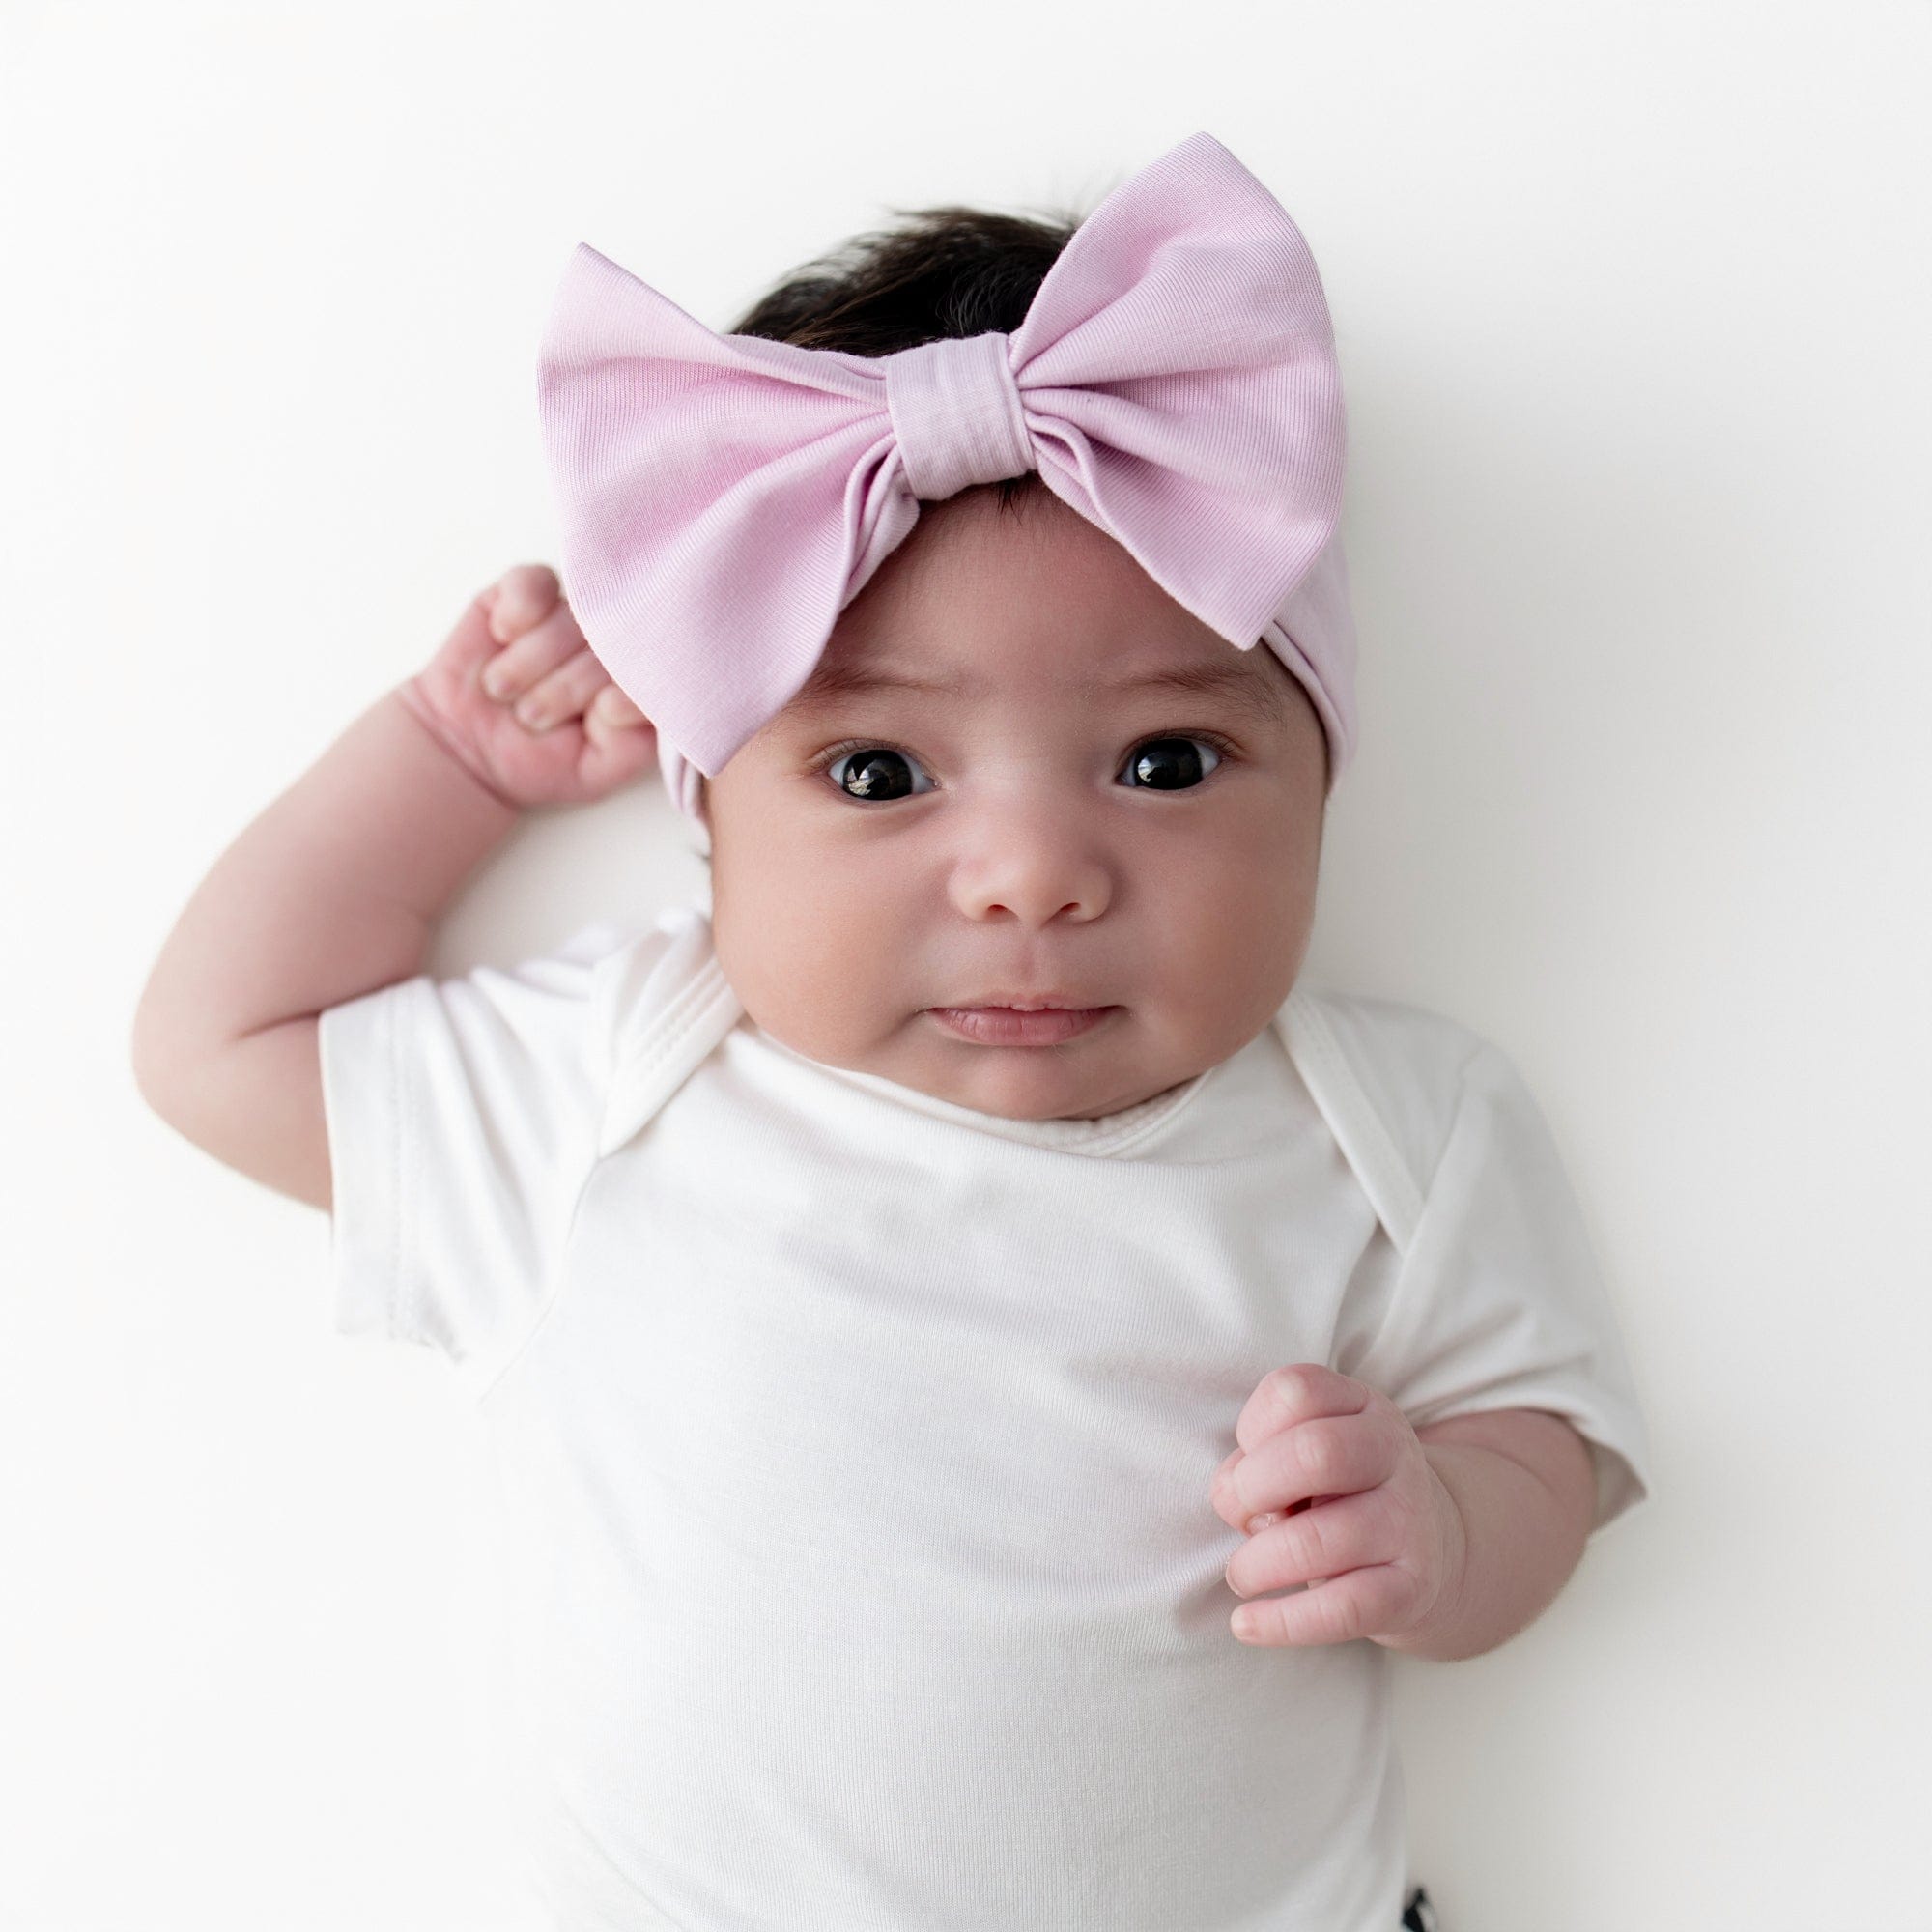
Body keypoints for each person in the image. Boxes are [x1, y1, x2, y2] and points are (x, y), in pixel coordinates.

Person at [132, 131, 1649, 1932]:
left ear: (1322, 781)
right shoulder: (625, 1075)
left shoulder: (1384, 1121)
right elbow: (220, 1041)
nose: (1028, 874)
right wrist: (453, 766)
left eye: (1166, 761)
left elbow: (1547, 1440)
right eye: (876, 772)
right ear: (709, 818)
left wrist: (1451, 1531)